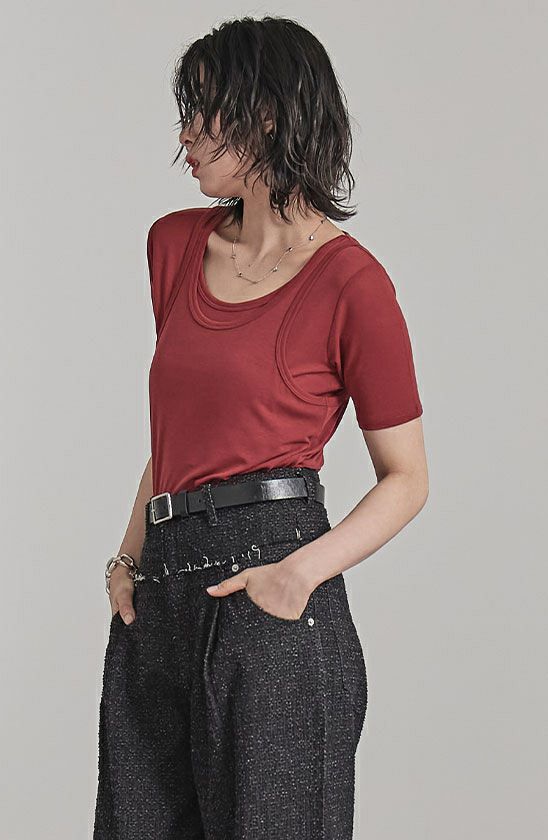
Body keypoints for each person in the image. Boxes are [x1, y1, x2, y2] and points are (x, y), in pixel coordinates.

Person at [93, 14, 428, 840]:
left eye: (201, 112)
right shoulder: (174, 246)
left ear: (267, 116)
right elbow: (182, 434)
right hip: (162, 586)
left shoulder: (353, 285)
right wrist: (129, 556)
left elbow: (408, 477)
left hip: (273, 578)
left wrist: (299, 575)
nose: (183, 135)